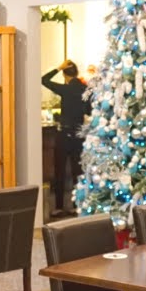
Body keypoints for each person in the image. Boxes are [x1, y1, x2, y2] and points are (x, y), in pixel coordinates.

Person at [42, 61, 87, 215]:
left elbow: (44, 80)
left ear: (65, 75)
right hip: (79, 134)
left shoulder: (65, 89)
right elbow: (89, 109)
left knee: (59, 170)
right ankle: (77, 204)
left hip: (64, 134)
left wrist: (58, 67)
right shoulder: (85, 89)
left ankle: (59, 207)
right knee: (77, 171)